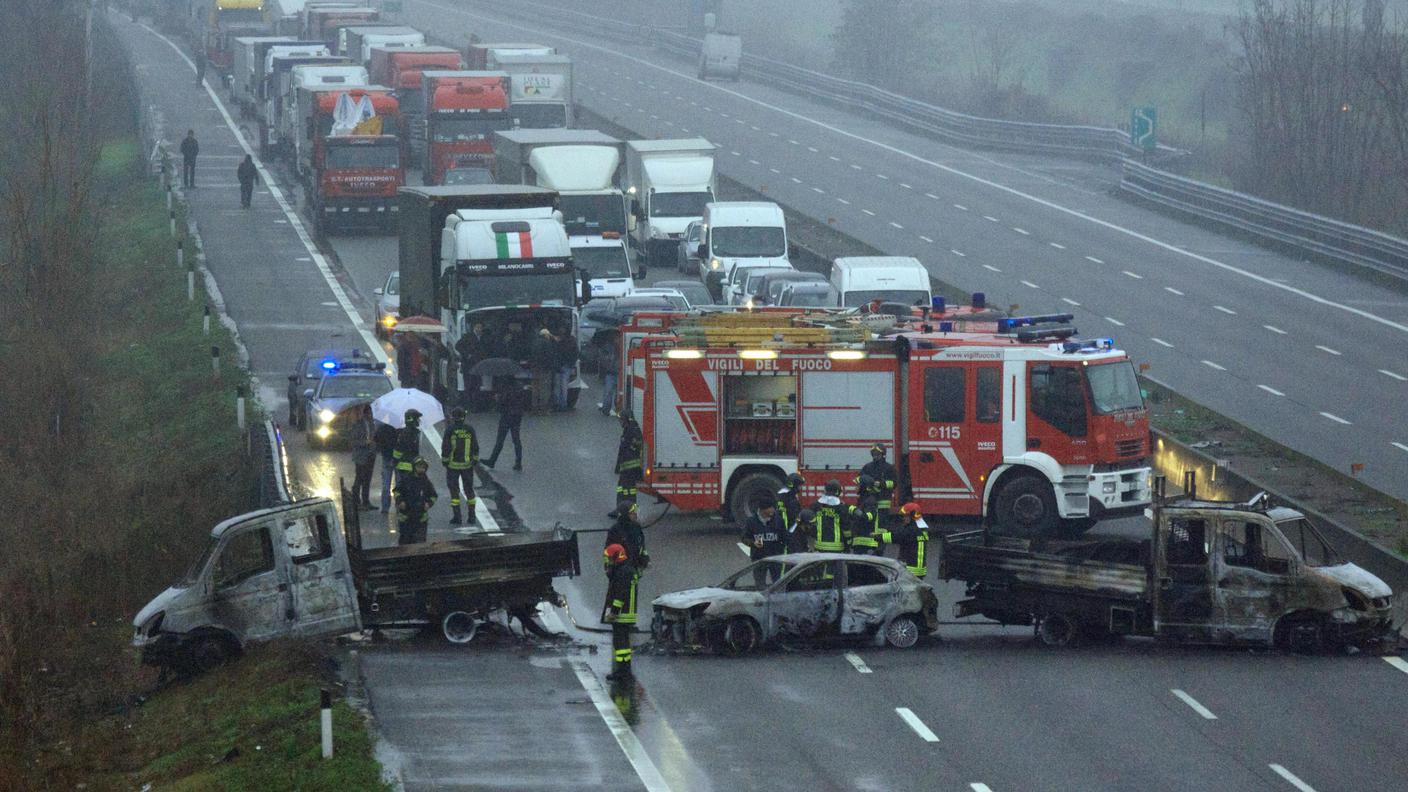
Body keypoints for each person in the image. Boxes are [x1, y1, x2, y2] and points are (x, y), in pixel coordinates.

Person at [601, 543, 639, 682]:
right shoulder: (625, 569)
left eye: (608, 558)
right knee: (622, 644)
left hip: (622, 614)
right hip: (626, 613)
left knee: (620, 644)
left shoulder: (622, 572)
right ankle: (624, 671)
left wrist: (614, 612)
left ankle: (623, 672)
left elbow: (620, 595)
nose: (607, 561)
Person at [441, 406, 478, 527]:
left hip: (453, 466)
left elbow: (446, 447)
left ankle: (457, 517)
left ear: (453, 417)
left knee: (454, 491)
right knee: (469, 490)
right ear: (464, 417)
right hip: (467, 466)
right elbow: (475, 446)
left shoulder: (450, 429)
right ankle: (472, 516)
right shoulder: (470, 429)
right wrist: (475, 460)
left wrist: (445, 461)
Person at [483, 379, 527, 471]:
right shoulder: (520, 386)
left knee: (500, 440)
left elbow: (503, 402)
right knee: (516, 439)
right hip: (517, 415)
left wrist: (497, 398)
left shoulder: (504, 386)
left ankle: (492, 460)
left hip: (506, 415)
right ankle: (518, 462)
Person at [741, 498, 787, 586]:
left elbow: (784, 537)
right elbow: (744, 538)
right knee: (759, 584)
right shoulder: (751, 522)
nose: (773, 510)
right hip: (759, 558)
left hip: (775, 559)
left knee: (778, 583)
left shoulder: (778, 521)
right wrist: (753, 543)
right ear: (763, 509)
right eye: (771, 508)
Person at [394, 458, 437, 544]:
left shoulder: (426, 482)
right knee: (405, 543)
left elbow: (433, 496)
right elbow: (397, 491)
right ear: (414, 467)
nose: (421, 469)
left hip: (421, 518)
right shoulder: (406, 479)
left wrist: (428, 504)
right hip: (406, 517)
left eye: (423, 467)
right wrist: (400, 501)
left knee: (420, 544)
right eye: (419, 466)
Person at [885, 502, 930, 579]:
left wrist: (877, 536)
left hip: (910, 569)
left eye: (906, 516)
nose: (903, 518)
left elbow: (895, 537)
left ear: (912, 516)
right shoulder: (922, 528)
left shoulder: (911, 530)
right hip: (919, 570)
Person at [605, 499, 649, 571]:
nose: (635, 515)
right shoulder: (615, 530)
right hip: (620, 569)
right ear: (625, 515)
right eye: (632, 513)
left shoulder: (636, 527)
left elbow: (641, 545)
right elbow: (609, 550)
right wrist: (610, 568)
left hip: (634, 566)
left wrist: (645, 558)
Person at [859, 443, 899, 524]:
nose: (875, 456)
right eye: (873, 454)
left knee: (882, 525)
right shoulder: (867, 467)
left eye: (877, 454)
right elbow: (859, 479)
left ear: (883, 454)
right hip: (869, 502)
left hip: (883, 502)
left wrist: (881, 484)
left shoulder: (889, 468)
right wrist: (862, 483)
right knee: (870, 523)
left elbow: (894, 483)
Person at [349, 405, 377, 510]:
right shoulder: (358, 425)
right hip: (360, 456)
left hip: (371, 455)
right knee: (359, 478)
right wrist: (365, 442)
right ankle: (356, 501)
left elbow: (374, 437)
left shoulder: (372, 424)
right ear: (365, 414)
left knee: (367, 479)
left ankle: (366, 501)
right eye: (369, 413)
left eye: (372, 414)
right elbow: (353, 441)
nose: (371, 416)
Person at [809, 479, 848, 552]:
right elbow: (845, 527)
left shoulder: (815, 505)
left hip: (819, 547)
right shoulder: (841, 507)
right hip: (837, 548)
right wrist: (848, 542)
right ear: (837, 492)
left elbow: (811, 525)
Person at [847, 474, 881, 555]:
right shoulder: (863, 499)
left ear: (864, 487)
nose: (856, 487)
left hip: (867, 544)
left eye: (858, 485)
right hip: (860, 542)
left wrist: (853, 509)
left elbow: (868, 517)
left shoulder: (870, 501)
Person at [614, 412, 643, 502]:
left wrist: (631, 448)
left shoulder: (632, 430)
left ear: (627, 420)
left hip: (629, 467)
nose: (620, 422)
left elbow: (636, 444)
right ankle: (622, 508)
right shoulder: (629, 429)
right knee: (623, 488)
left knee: (628, 489)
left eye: (621, 420)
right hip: (626, 466)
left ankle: (628, 510)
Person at [528, 327, 558, 411]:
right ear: (546, 335)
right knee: (544, 388)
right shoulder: (547, 343)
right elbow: (550, 356)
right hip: (545, 369)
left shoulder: (534, 342)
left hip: (535, 369)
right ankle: (543, 407)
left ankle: (534, 407)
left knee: (535, 388)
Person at [373, 418, 398, 512]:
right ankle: (399, 506)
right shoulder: (399, 430)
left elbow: (376, 440)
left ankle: (385, 507)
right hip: (397, 460)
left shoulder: (382, 428)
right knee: (399, 484)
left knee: (386, 485)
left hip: (386, 458)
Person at [391, 408, 422, 483]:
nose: (419, 420)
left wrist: (395, 461)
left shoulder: (403, 433)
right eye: (417, 418)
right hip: (409, 466)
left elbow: (398, 449)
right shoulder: (413, 433)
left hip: (403, 466)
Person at [554, 328, 578, 411]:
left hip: (558, 366)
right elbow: (576, 353)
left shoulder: (558, 342)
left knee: (557, 386)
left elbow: (556, 354)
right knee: (564, 386)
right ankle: (563, 404)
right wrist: (571, 363)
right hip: (567, 365)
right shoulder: (572, 341)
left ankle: (556, 404)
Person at [598, 329, 620, 416]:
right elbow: (602, 357)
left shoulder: (624, 346)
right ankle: (606, 408)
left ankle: (618, 408)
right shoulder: (608, 347)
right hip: (611, 372)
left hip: (620, 372)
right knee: (608, 392)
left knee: (619, 393)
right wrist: (608, 361)